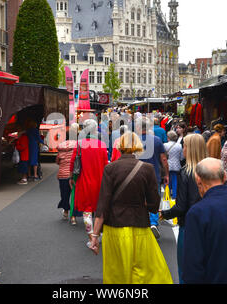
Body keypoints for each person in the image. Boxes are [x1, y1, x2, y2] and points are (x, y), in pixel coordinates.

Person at [89, 132, 173, 284]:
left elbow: (103, 204)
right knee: (145, 270)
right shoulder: (147, 168)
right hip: (139, 225)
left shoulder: (110, 168)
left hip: (114, 226)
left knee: (116, 272)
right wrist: (141, 203)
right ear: (137, 147)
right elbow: (154, 203)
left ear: (119, 147)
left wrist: (95, 236)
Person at [160, 133, 205, 283]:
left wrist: (164, 214)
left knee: (185, 270)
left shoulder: (186, 173)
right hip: (210, 225)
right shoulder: (211, 172)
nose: (183, 149)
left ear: (190, 149)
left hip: (189, 225)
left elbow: (180, 206)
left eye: (185, 146)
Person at [69, 119, 108, 248]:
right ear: (96, 129)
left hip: (84, 182)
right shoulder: (101, 145)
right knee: (99, 209)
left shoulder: (79, 145)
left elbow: (73, 163)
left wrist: (71, 177)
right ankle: (98, 234)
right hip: (100, 182)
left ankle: (91, 237)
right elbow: (105, 165)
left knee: (86, 212)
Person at [135, 117, 169, 239]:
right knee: (154, 198)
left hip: (136, 175)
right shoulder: (157, 140)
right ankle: (153, 222)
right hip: (154, 174)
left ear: (138, 127)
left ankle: (140, 221)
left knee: (139, 198)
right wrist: (166, 174)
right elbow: (163, 160)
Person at [56, 123, 82, 223]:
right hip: (74, 175)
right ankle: (73, 216)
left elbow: (57, 161)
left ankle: (66, 212)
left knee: (64, 194)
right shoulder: (78, 147)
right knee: (75, 195)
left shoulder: (61, 148)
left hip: (62, 175)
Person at [164, 130, 183, 199]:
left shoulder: (165, 145)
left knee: (167, 179)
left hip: (167, 165)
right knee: (175, 180)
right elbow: (181, 157)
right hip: (176, 165)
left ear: (168, 137)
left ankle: (167, 195)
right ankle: (174, 195)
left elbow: (163, 157)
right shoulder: (179, 146)